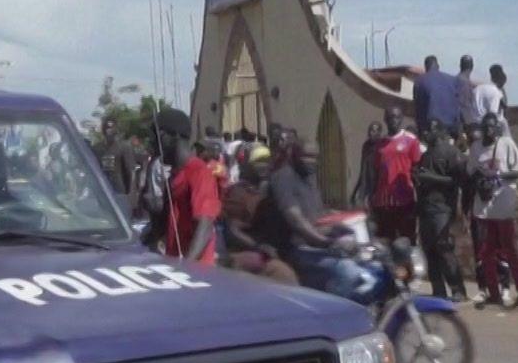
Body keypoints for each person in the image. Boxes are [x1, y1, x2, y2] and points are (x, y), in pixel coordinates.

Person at [254, 138, 365, 297]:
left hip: (316, 243)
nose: (311, 161)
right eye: (306, 156)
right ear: (294, 154)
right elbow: (296, 220)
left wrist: (345, 220)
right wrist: (327, 243)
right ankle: (332, 314)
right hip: (297, 248)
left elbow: (318, 213)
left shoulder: (310, 177)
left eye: (314, 157)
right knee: (348, 271)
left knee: (372, 265)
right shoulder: (283, 177)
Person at [469, 114, 518, 308]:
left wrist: (498, 176)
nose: (489, 131)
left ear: (497, 128)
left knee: (509, 249)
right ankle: (494, 293)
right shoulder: (476, 147)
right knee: (486, 253)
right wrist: (481, 179)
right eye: (486, 127)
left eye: (492, 127)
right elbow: (471, 172)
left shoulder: (506, 144)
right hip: (485, 206)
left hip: (503, 204)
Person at [218, 145, 296, 286]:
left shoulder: (269, 189)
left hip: (274, 248)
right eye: (258, 163)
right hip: (247, 252)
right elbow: (232, 229)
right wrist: (258, 246)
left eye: (266, 162)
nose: (263, 167)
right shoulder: (239, 194)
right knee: (283, 274)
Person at [412, 121, 469, 302]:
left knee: (444, 249)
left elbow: (458, 181)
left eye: (430, 129)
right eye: (425, 129)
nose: (426, 132)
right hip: (426, 209)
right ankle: (438, 290)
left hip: (442, 209)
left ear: (439, 131)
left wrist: (431, 177)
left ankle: (458, 289)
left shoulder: (451, 153)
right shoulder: (425, 155)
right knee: (429, 250)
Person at [154, 109, 218, 264]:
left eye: (156, 138)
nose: (152, 144)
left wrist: (187, 267)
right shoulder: (175, 175)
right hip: (174, 267)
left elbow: (205, 224)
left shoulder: (198, 172)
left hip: (196, 273)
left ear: (172, 137)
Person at [371, 110, 421, 243]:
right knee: (386, 241)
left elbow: (417, 169)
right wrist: (371, 196)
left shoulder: (411, 141)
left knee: (406, 241)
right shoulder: (379, 145)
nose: (394, 120)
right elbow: (376, 172)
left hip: (404, 200)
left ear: (401, 118)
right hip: (383, 202)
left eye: (397, 117)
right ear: (385, 120)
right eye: (390, 117)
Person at [412, 55, 462, 136]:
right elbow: (458, 104)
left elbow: (417, 107)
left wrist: (420, 129)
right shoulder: (453, 80)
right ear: (438, 66)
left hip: (430, 128)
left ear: (426, 67)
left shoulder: (419, 81)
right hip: (451, 128)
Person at [90, 118, 137, 197]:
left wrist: (130, 193)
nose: (109, 131)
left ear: (116, 130)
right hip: (102, 190)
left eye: (111, 128)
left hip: (120, 190)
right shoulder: (97, 148)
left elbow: (130, 171)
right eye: (107, 128)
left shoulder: (124, 147)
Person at [350, 119, 384, 210]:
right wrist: (355, 192)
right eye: (370, 130)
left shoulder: (382, 146)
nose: (371, 133)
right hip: (368, 188)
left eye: (374, 130)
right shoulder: (366, 146)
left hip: (379, 188)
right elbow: (363, 171)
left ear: (379, 132)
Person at [454, 55, 480, 127]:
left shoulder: (455, 80)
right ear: (472, 67)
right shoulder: (465, 83)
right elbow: (464, 106)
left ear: (460, 65)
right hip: (464, 123)